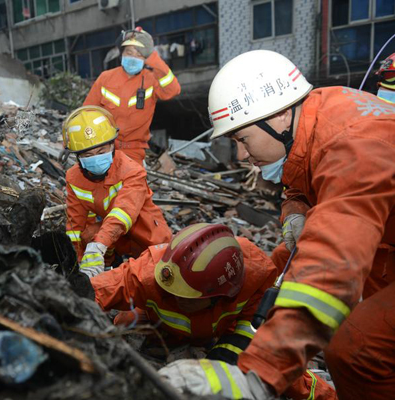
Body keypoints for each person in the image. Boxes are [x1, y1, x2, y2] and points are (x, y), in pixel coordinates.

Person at [159, 49, 395, 400]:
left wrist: (260, 378)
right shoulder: (315, 117)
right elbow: (300, 173)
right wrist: (296, 209)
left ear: (280, 116)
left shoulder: (353, 144)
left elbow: (333, 260)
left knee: (356, 346)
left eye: (241, 139)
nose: (241, 155)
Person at [92, 223, 336, 400]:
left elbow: (253, 328)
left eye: (185, 295)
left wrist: (221, 364)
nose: (175, 298)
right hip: (163, 328)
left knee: (280, 372)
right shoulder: (149, 273)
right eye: (172, 290)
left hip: (222, 334)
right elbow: (97, 291)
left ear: (220, 296)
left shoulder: (256, 276)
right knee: (123, 324)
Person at [62, 105, 172, 278]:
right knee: (89, 234)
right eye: (88, 154)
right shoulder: (74, 178)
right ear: (77, 156)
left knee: (158, 273)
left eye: (101, 151)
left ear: (112, 145)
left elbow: (124, 212)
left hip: (146, 232)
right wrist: (77, 263)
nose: (96, 158)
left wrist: (98, 245)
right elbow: (76, 226)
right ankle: (106, 272)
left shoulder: (131, 171)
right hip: (113, 239)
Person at [83, 28, 181, 164]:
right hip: (104, 148)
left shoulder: (151, 80)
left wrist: (153, 57)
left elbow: (173, 90)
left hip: (134, 151)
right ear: (121, 54)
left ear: (146, 58)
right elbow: (87, 113)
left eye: (139, 54)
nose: (133, 57)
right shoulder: (106, 78)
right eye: (129, 52)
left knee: (132, 184)